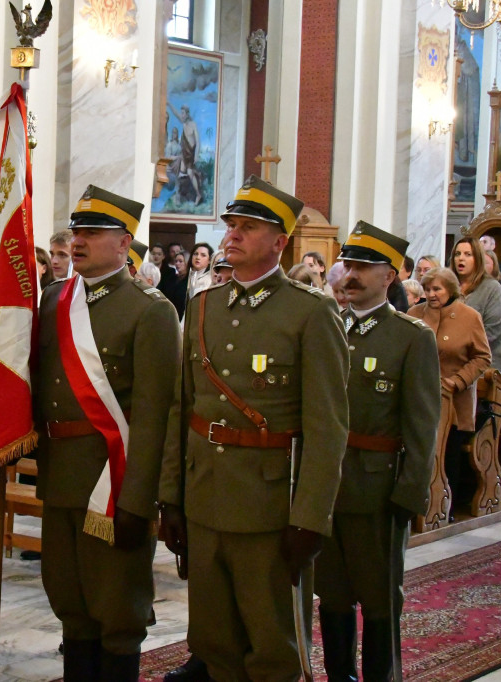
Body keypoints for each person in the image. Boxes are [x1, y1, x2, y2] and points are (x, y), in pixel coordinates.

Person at [159, 175, 349, 681]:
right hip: (205, 497)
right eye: (231, 226)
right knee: (213, 638)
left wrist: (311, 517)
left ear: (280, 242)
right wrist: (171, 497)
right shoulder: (204, 307)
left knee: (272, 648)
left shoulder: (310, 312)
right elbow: (184, 410)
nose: (232, 236)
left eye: (248, 227)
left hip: (270, 507)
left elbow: (328, 427)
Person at [37, 185, 180, 680]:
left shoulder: (150, 309)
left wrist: (141, 501)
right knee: (69, 598)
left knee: (117, 607)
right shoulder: (55, 299)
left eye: (93, 233)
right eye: (76, 231)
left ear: (124, 242)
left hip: (113, 483)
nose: (78, 242)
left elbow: (155, 413)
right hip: (61, 478)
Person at [315, 222, 440, 682]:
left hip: (377, 489)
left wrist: (410, 493)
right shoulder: (325, 325)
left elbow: (423, 426)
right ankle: (339, 676)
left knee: (381, 597)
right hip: (327, 486)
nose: (351, 274)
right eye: (349, 264)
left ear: (390, 275)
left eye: (364, 267)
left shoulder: (411, 337)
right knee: (331, 595)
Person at [408, 268, 491, 520]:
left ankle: (445, 507)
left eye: (437, 289)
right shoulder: (414, 314)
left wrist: (458, 381)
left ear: (451, 290)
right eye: (428, 289)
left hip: (453, 398)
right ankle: (415, 506)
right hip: (418, 396)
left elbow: (483, 357)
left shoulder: (469, 317)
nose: (431, 295)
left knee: (448, 453)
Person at [451, 236, 501, 370]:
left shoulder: (492, 287)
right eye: (457, 254)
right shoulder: (449, 286)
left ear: (478, 258)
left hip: (484, 362)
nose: (461, 258)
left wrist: (461, 347)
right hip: (451, 360)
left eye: (468, 254)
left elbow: (493, 329)